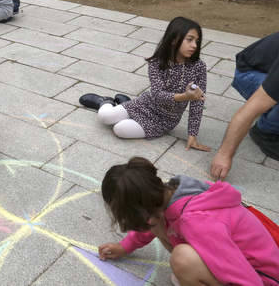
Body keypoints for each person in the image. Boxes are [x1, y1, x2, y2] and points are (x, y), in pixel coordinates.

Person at [98, 157, 279, 286]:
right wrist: (125, 246)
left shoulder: (197, 222)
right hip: (240, 262)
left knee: (183, 259)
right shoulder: (170, 192)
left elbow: (246, 278)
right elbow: (150, 223)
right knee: (178, 257)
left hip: (263, 278)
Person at [90, 17, 209, 148]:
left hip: (165, 120)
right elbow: (157, 94)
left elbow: (197, 103)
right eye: (189, 39)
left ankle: (124, 104)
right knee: (104, 117)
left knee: (120, 129)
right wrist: (185, 97)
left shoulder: (199, 67)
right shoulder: (157, 62)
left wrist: (192, 136)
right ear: (174, 39)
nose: (194, 46)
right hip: (146, 104)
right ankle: (105, 101)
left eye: (197, 41)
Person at [211, 32, 279, 180]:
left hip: (269, 70)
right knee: (266, 101)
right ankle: (265, 132)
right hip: (249, 73)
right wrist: (224, 155)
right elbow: (248, 111)